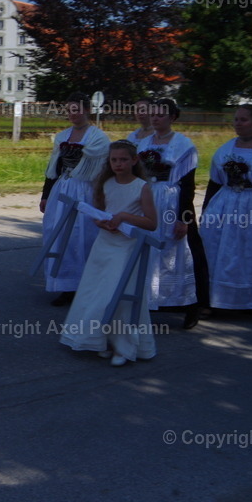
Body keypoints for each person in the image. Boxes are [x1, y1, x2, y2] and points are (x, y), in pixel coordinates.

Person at [60, 141, 158, 366]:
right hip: (104, 244)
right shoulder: (105, 183)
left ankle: (123, 346)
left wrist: (124, 216)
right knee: (96, 292)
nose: (118, 164)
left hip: (127, 247)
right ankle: (100, 340)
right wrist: (100, 222)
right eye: (114, 160)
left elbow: (152, 223)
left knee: (119, 294)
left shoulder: (142, 187)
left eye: (123, 159)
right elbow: (99, 213)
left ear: (134, 160)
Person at [136, 98, 209, 329]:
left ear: (172, 117)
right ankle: (148, 301)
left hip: (171, 201)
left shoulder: (184, 145)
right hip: (147, 198)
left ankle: (191, 305)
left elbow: (188, 186)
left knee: (180, 253)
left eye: (160, 114)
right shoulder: (143, 143)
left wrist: (183, 218)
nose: (155, 118)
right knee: (148, 252)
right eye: (153, 114)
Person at [40, 92, 111, 306]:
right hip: (62, 189)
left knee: (84, 236)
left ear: (87, 110)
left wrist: (101, 200)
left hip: (86, 190)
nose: (73, 114)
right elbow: (53, 169)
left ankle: (87, 286)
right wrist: (45, 195)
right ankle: (65, 285)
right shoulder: (62, 136)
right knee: (60, 234)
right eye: (70, 110)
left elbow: (102, 172)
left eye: (77, 109)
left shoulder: (98, 138)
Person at [200, 104, 252, 312]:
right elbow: (214, 182)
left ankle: (250, 299)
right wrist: (206, 211)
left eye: (244, 119)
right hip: (225, 203)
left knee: (249, 251)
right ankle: (217, 299)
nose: (238, 124)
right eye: (236, 119)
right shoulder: (225, 150)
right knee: (221, 250)